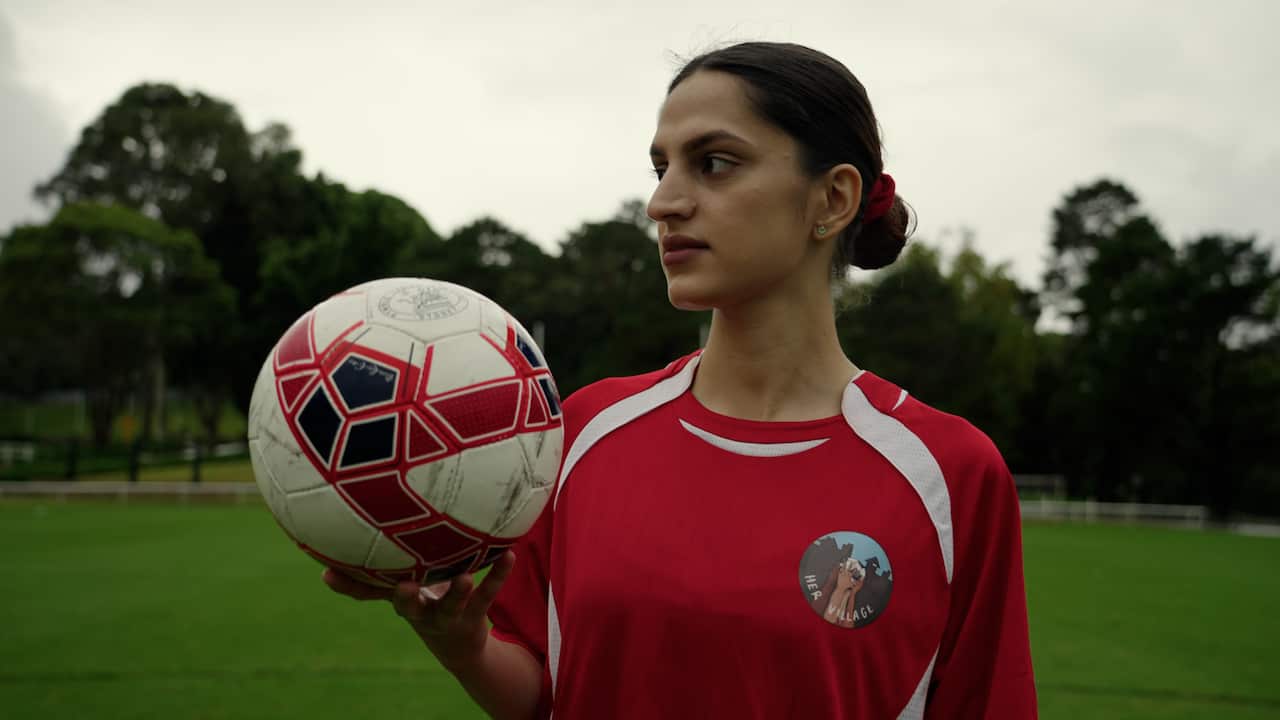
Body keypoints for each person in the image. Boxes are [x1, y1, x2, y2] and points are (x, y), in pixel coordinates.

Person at [325, 41, 1038, 719]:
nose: (663, 202)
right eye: (660, 167)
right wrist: (463, 645)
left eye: (715, 163)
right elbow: (548, 693)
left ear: (834, 199)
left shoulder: (950, 473)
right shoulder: (582, 431)